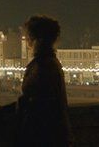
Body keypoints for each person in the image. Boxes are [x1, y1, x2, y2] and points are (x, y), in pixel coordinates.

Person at [16, 15, 72, 146]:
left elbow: (36, 105)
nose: (27, 41)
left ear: (36, 40)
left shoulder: (43, 66)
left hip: (40, 136)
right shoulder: (51, 63)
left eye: (28, 37)